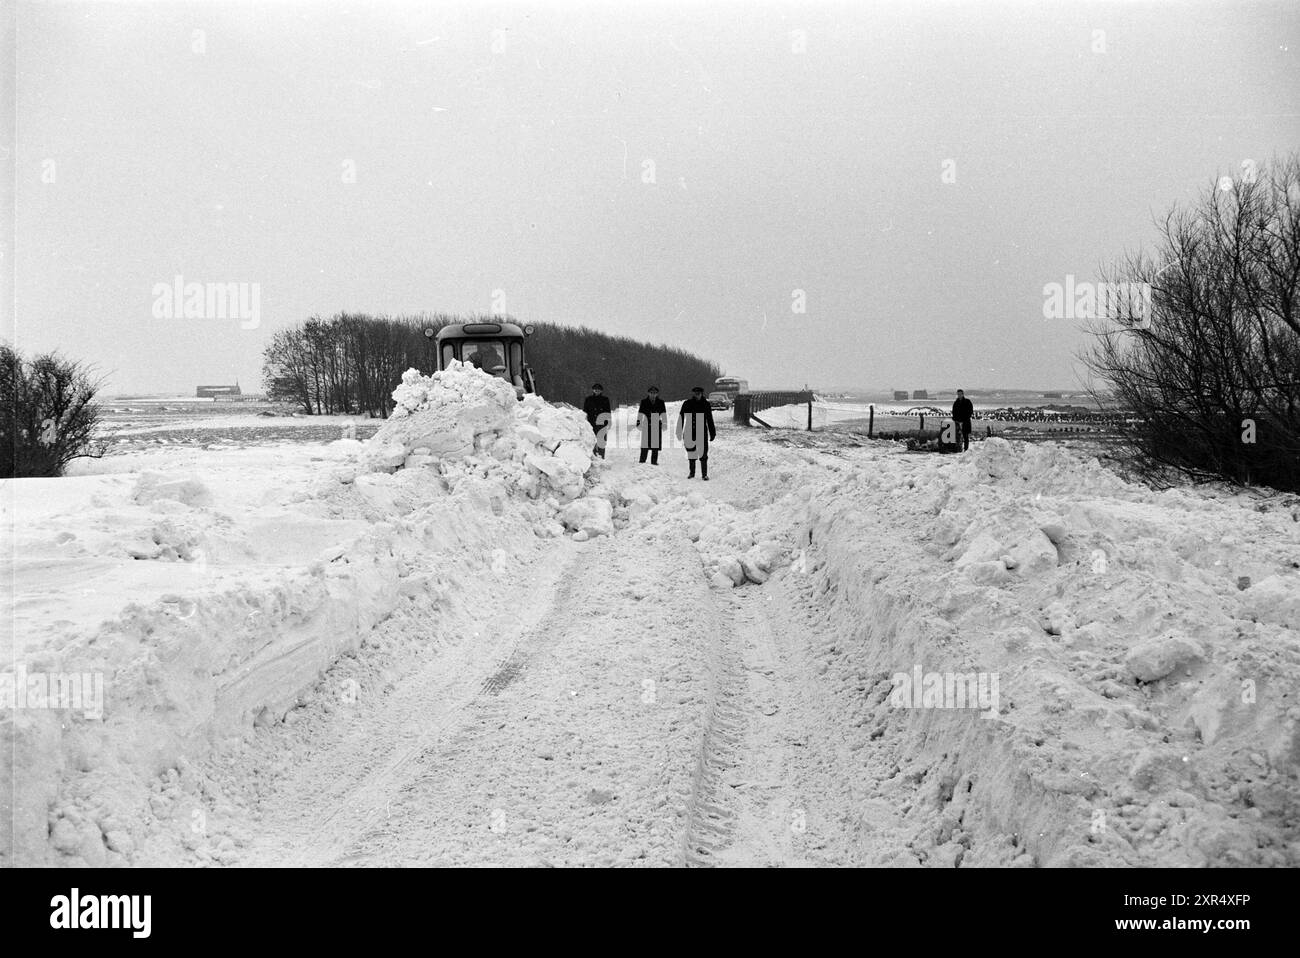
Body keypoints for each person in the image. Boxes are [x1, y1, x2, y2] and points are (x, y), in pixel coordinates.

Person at [677, 385, 717, 479]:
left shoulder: (706, 404)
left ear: (701, 394)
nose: (697, 395)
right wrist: (679, 430)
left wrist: (712, 432)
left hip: (701, 430)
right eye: (696, 393)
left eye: (699, 393)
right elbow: (681, 417)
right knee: (691, 452)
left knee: (703, 453)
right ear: (694, 394)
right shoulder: (687, 403)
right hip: (689, 430)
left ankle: (704, 474)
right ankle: (692, 473)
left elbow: (709, 419)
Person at [637, 386, 667, 465]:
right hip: (646, 423)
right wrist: (638, 422)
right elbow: (640, 412)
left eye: (654, 393)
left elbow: (663, 413)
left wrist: (664, 423)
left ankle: (654, 462)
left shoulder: (661, 402)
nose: (653, 395)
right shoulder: (644, 402)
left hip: (656, 423)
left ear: (657, 394)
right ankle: (642, 461)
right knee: (645, 444)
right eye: (651, 393)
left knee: (655, 445)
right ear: (648, 393)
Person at [582, 383, 612, 459]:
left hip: (602, 423)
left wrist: (608, 422)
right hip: (591, 423)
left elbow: (607, 411)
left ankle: (601, 457)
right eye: (595, 389)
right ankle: (593, 457)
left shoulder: (605, 399)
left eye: (598, 390)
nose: (597, 391)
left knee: (601, 441)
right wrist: (584, 421)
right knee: (591, 441)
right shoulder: (588, 399)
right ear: (593, 390)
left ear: (601, 391)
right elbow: (585, 411)